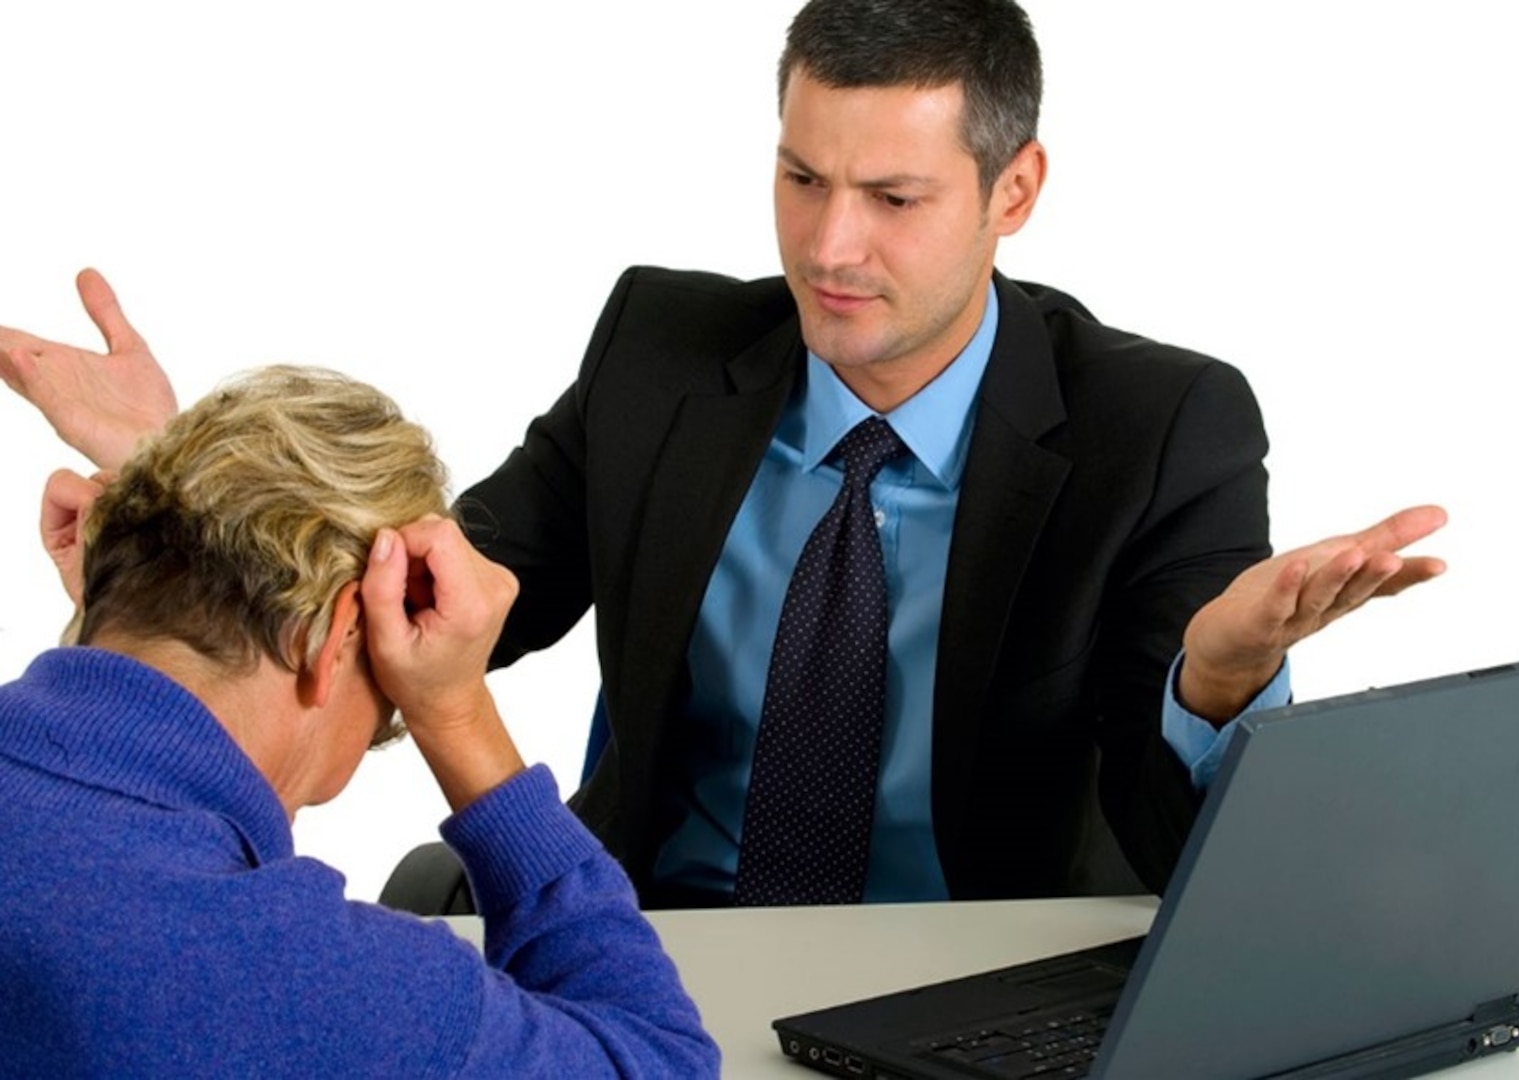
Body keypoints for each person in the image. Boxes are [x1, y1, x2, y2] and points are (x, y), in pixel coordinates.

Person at [0, 0, 1445, 909]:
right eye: (800, 177)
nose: (827, 247)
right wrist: (177, 482)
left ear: (1016, 192)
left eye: (892, 197)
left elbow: (1163, 831)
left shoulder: (1160, 424)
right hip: (653, 937)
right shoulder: (664, 351)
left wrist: (1216, 677)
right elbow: (431, 597)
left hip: (978, 969)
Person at [0, 366, 720, 1076]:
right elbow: (657, 1061)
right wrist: (455, 712)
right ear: (337, 634)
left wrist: (157, 536)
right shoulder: (308, 981)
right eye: (388, 688)